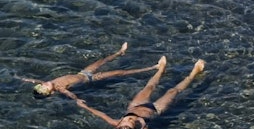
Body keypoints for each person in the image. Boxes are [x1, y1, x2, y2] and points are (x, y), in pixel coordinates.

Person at [75, 57, 205, 129]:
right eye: (131, 122)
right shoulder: (142, 128)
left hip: (136, 105)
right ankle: (195, 72)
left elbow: (100, 114)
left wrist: (84, 106)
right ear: (135, 128)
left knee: (149, 87)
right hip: (156, 109)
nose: (129, 119)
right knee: (174, 91)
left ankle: (160, 70)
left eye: (126, 120)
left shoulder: (116, 122)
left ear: (118, 125)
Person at [21, 42, 158, 99]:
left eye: (43, 84)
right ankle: (152, 68)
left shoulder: (49, 82)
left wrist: (26, 79)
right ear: (50, 92)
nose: (45, 83)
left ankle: (119, 53)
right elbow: (70, 95)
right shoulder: (61, 88)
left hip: (83, 72)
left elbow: (37, 80)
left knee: (102, 61)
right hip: (91, 78)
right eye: (45, 86)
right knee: (119, 73)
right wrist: (77, 100)